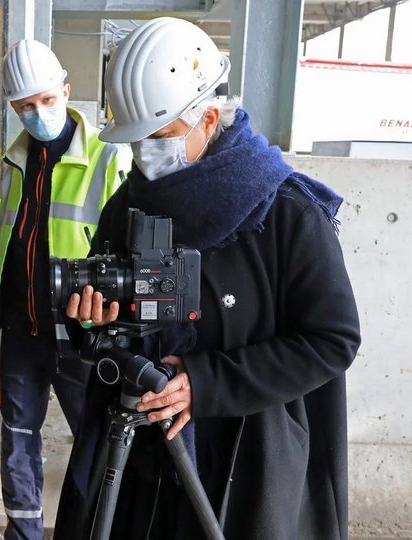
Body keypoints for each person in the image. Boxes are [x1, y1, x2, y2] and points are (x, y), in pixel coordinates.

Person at [54, 17, 362, 540]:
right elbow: (111, 336)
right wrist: (91, 325)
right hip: (140, 468)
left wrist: (206, 383)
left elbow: (333, 340)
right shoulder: (126, 209)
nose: (145, 154)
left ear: (209, 118)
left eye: (161, 136)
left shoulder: (284, 212)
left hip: (243, 470)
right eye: (136, 141)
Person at [0, 39, 131, 540]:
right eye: (26, 106)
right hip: (23, 329)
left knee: (97, 443)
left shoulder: (109, 158)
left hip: (83, 333)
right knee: (18, 441)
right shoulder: (17, 160)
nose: (38, 112)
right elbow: (13, 222)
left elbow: (131, 247)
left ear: (66, 91)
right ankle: (23, 535)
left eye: (47, 100)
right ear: (13, 108)